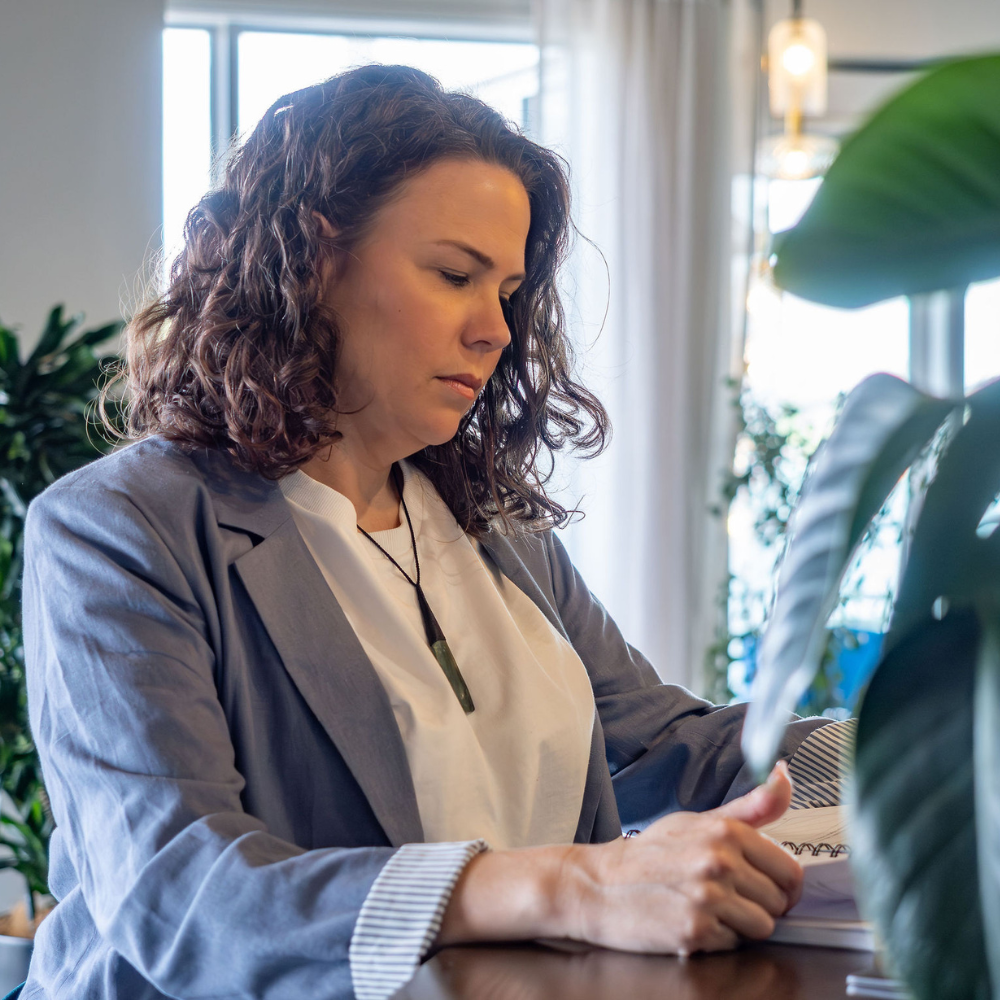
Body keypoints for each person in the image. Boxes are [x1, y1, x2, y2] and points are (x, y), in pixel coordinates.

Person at [20, 65, 850, 1000]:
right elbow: (183, 895)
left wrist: (922, 741)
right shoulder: (119, 530)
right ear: (312, 261)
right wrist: (571, 887)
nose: (496, 330)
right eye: (455, 275)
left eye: (507, 291)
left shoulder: (496, 532)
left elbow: (673, 748)